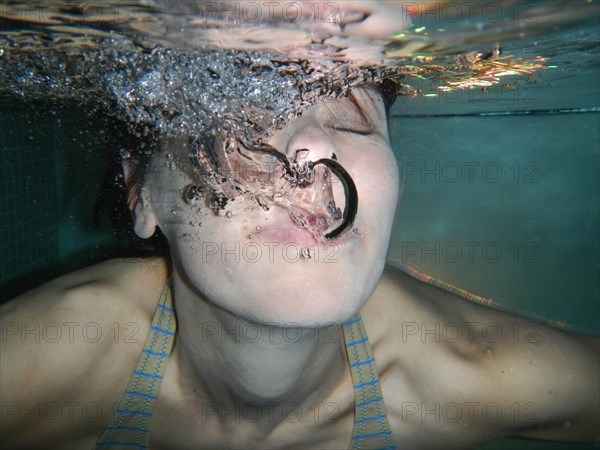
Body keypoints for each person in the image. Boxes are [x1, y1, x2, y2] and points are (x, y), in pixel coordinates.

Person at [0, 80, 598, 450]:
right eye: (242, 116)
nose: (314, 149)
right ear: (140, 191)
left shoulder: (479, 373)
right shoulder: (31, 371)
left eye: (349, 120)